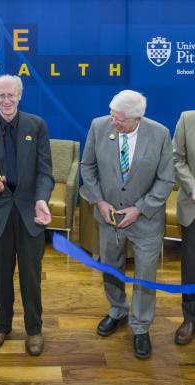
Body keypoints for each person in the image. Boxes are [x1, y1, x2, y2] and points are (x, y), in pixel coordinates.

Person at [80, 90, 174, 359]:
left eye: (119, 120)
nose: (113, 123)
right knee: (111, 267)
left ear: (137, 118)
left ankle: (141, 327)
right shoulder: (99, 126)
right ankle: (117, 311)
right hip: (108, 217)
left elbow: (166, 179)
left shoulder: (159, 134)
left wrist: (141, 209)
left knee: (145, 275)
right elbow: (87, 167)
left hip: (145, 222)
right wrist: (99, 201)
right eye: (112, 115)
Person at [0, 74, 54, 356]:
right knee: (0, 275)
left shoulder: (37, 125)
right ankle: (2, 325)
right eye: (1, 96)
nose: (6, 100)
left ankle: (34, 329)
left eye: (11, 95)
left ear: (20, 95)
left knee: (31, 276)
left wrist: (42, 199)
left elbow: (45, 173)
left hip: (30, 213)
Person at [172, 111, 195, 345]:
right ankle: (189, 318)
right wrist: (193, 188)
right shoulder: (187, 119)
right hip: (193, 206)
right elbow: (177, 158)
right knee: (191, 265)